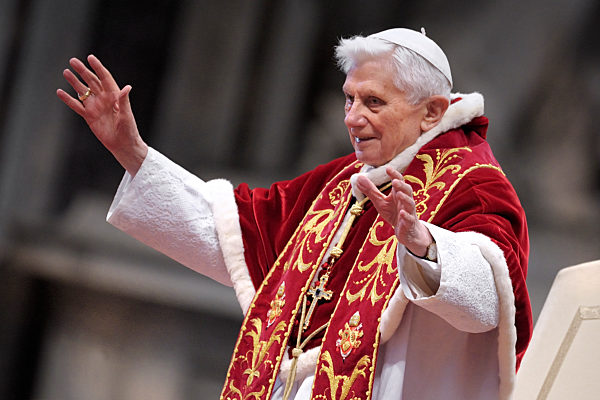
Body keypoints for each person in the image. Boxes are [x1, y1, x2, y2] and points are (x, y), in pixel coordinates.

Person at [57, 27, 532, 400]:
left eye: (373, 102)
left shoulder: (475, 184)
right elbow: (240, 230)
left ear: (430, 112)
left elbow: (494, 299)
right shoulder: (344, 177)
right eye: (349, 98)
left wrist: (422, 244)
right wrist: (133, 152)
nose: (351, 117)